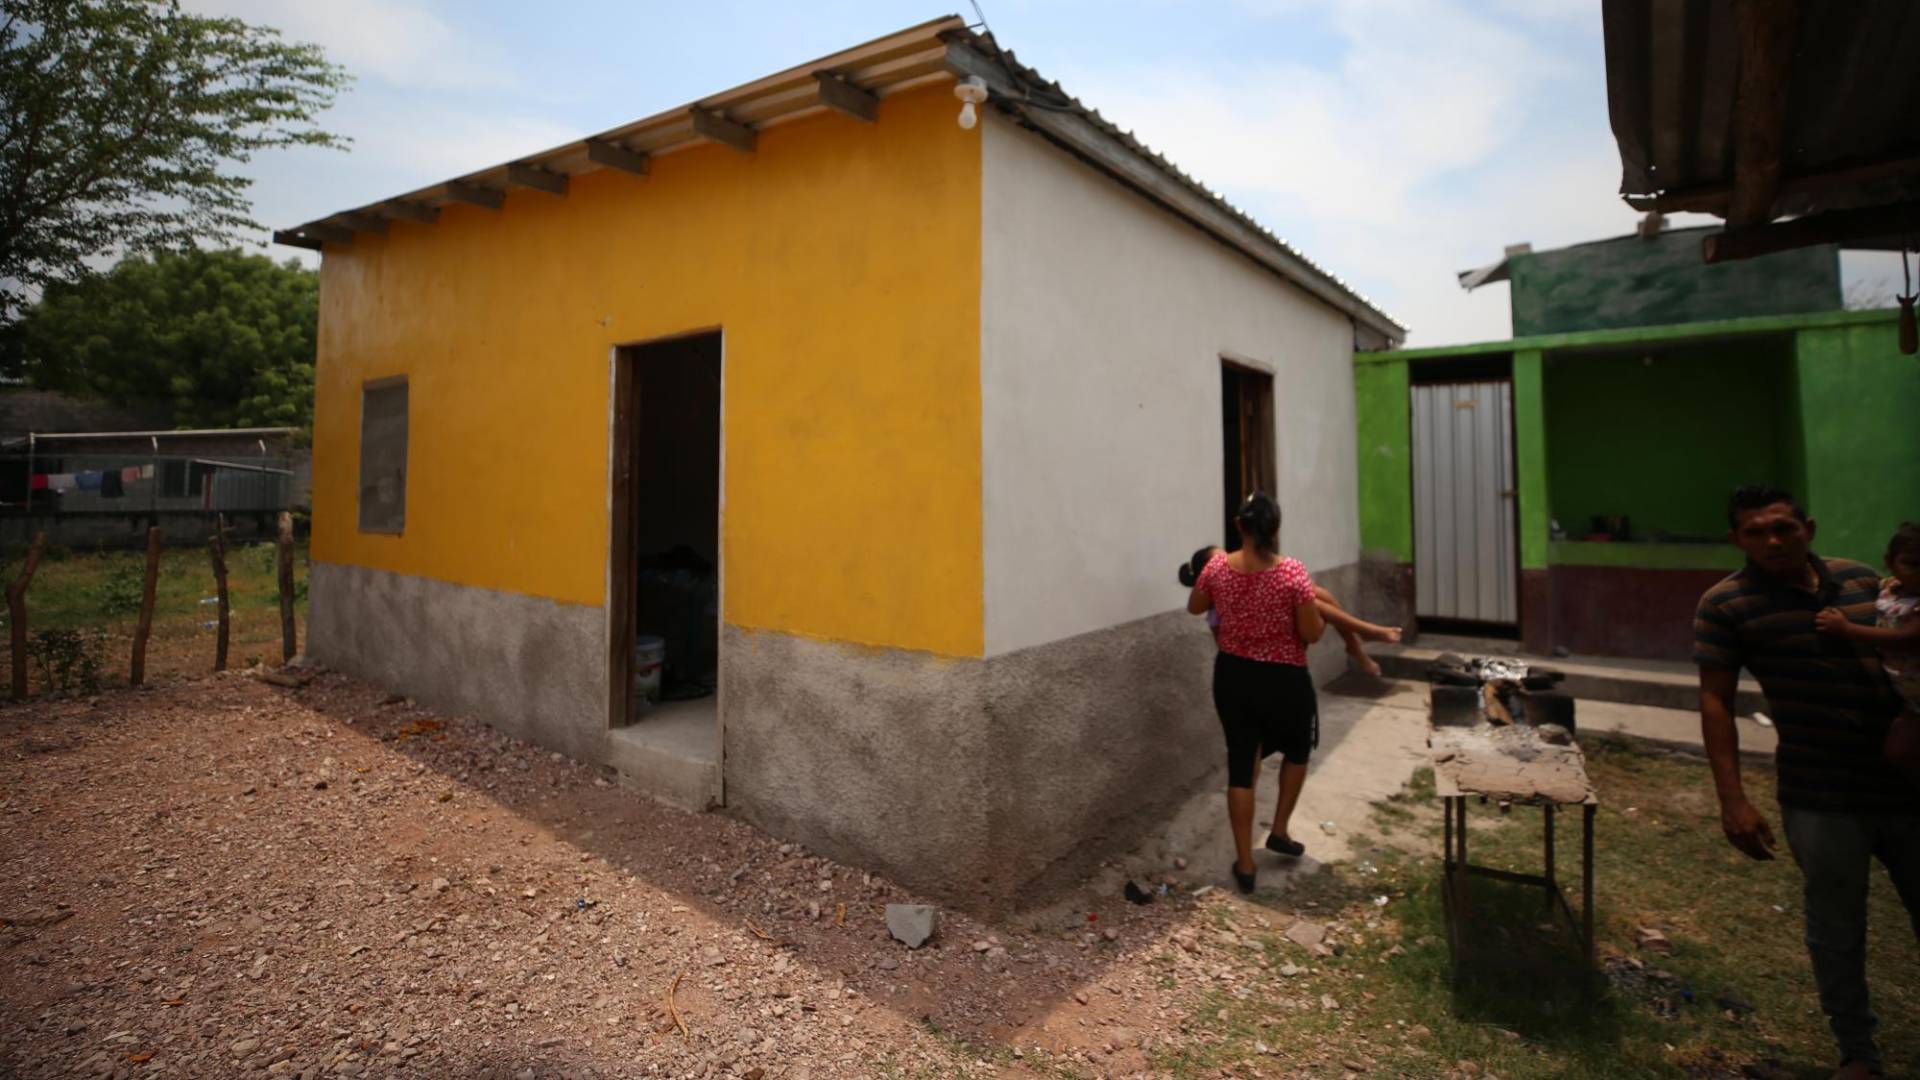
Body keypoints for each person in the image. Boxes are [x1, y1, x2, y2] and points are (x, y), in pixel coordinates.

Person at [1693, 487, 1919, 1080]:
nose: (1773, 541)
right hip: (1820, 790)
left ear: (1808, 528)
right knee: (1837, 928)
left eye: (1784, 528)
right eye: (1757, 532)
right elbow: (1715, 701)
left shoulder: (1865, 582)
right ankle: (1858, 1055)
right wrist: (1733, 800)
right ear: (1736, 540)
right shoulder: (1726, 605)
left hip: (1906, 781)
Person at [1186, 494, 1326, 893]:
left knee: (1241, 764)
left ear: (1239, 525)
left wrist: (1225, 600)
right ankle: (1279, 829)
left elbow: (1196, 607)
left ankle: (1245, 863)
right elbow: (1311, 632)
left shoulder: (1216, 568)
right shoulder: (1292, 574)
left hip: (1234, 676)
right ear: (1275, 529)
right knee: (1298, 750)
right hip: (1285, 679)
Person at [1179, 545, 1403, 673]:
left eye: (1226, 557)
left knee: (1318, 593)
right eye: (1218, 563)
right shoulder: (1215, 610)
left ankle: (1355, 642)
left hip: (1282, 635)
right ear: (1205, 578)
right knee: (1315, 601)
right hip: (1265, 654)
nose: (1225, 564)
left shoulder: (1239, 580)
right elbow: (1226, 648)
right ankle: (1362, 635)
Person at [1815, 521, 1920, 784]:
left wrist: (1846, 629)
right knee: (1897, 754)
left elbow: (1905, 638)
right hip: (1909, 697)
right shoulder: (1886, 588)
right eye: (1912, 564)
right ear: (1890, 562)